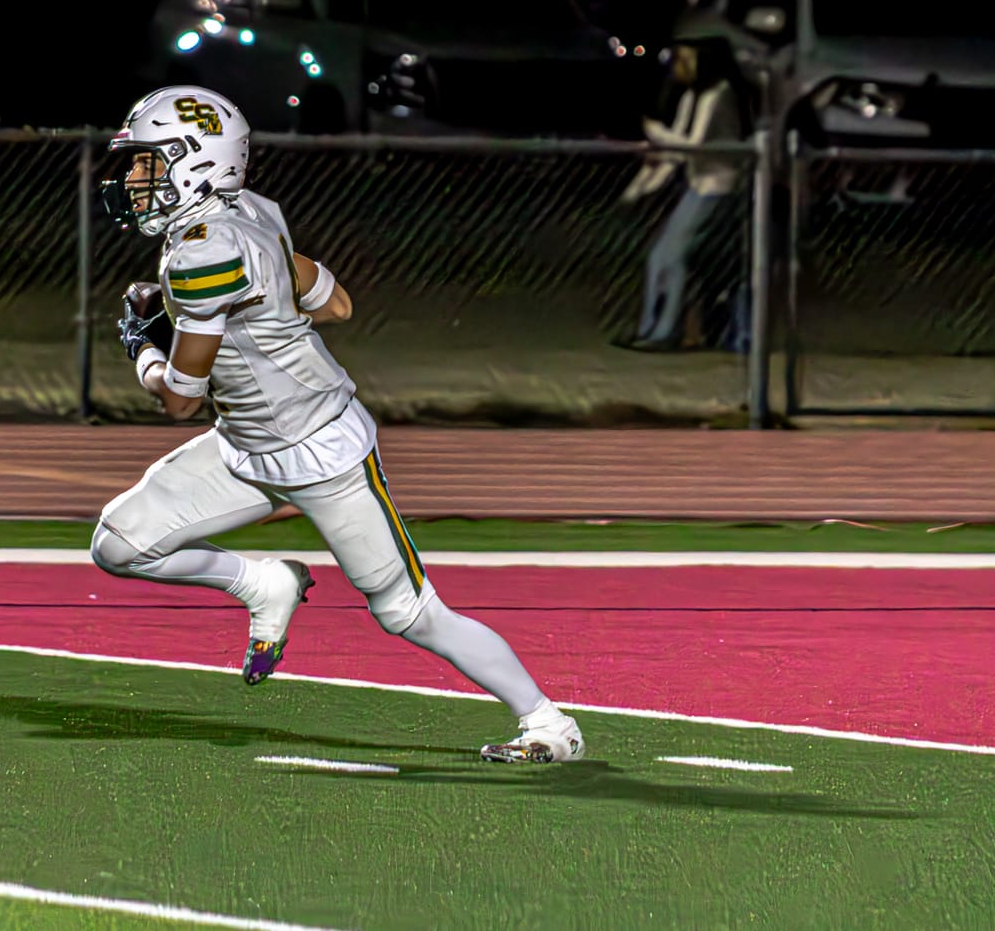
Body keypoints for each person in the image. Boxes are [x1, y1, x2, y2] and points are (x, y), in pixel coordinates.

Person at [92, 85, 586, 765]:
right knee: (120, 543)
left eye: (149, 162)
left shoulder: (201, 253)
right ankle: (262, 583)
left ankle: (549, 723)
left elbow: (179, 398)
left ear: (196, 161)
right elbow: (336, 303)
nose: (135, 180)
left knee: (409, 613)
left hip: (320, 449)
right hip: (246, 445)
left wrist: (143, 347)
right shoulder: (251, 211)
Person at [618, 41, 752, 352]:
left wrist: (657, 134)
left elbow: (693, 143)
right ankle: (650, 328)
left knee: (674, 255)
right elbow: (675, 151)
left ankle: (665, 331)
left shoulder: (718, 94)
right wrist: (639, 188)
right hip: (698, 185)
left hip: (717, 187)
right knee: (660, 256)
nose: (680, 66)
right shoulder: (692, 96)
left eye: (687, 59)